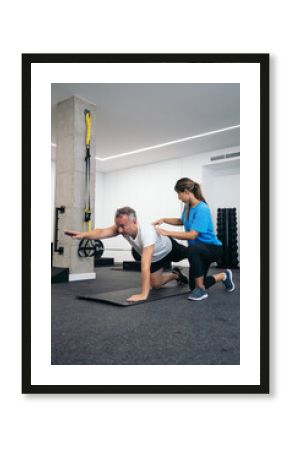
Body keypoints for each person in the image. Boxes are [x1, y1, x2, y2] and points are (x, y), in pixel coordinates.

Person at [64, 206, 190, 302]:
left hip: (170, 248)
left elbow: (145, 265)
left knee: (191, 254)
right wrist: (83, 235)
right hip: (156, 258)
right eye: (118, 226)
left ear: (134, 222)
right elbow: (102, 232)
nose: (119, 230)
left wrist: (143, 294)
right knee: (156, 285)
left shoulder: (147, 232)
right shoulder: (121, 228)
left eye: (123, 226)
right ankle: (175, 275)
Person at [153, 177, 235, 301]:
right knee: (193, 286)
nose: (178, 197)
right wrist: (164, 220)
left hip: (212, 249)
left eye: (179, 194)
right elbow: (182, 221)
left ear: (186, 191)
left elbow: (192, 235)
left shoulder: (202, 208)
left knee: (192, 250)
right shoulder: (188, 207)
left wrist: (167, 233)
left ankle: (201, 290)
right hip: (198, 251)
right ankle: (223, 276)